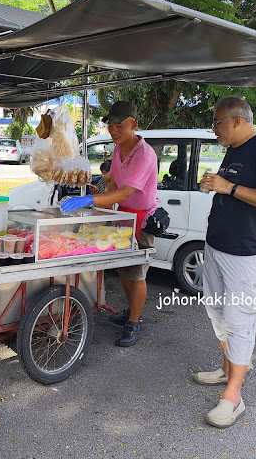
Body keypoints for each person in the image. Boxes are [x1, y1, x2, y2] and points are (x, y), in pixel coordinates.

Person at [195, 96, 256, 428]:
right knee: (218, 314)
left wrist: (228, 187)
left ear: (236, 121)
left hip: (245, 255)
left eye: (217, 123)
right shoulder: (234, 150)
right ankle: (226, 370)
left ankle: (233, 398)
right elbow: (235, 191)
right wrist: (218, 186)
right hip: (218, 247)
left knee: (240, 320)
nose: (214, 130)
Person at [61, 101, 158, 347]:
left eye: (119, 126)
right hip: (123, 215)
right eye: (111, 126)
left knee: (136, 273)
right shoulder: (118, 149)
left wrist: (90, 199)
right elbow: (114, 183)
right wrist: (100, 211)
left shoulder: (144, 154)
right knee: (122, 268)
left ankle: (134, 323)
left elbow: (126, 193)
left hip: (142, 217)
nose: (113, 130)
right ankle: (130, 310)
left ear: (134, 124)